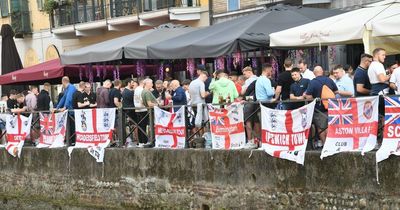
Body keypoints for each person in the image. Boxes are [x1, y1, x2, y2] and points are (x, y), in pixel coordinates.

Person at [305, 66, 339, 146]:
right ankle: (330, 144)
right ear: (322, 72)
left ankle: (325, 145)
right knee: (329, 126)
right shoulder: (329, 80)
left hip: (319, 109)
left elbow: (308, 96)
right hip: (331, 107)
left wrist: (315, 99)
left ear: (314, 73)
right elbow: (336, 91)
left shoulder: (312, 82)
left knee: (321, 127)